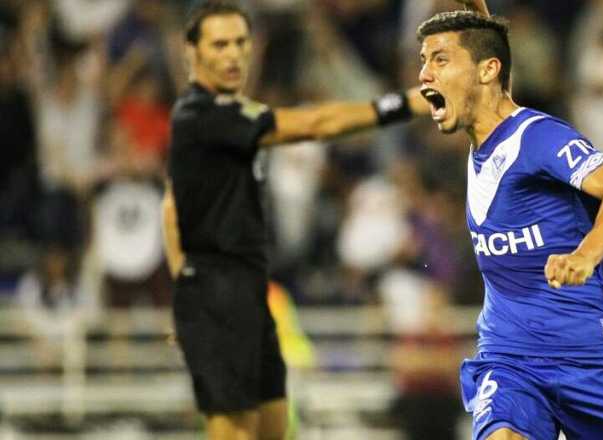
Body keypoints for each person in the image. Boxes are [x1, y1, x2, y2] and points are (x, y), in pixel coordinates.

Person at [160, 1, 429, 439]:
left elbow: (172, 209)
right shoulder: (205, 116)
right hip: (219, 299)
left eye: (241, 43)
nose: (233, 55)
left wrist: (181, 288)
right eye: (219, 44)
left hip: (248, 294)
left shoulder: (222, 117)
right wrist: (404, 104)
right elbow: (315, 122)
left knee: (275, 430)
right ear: (191, 54)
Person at [415, 10, 603, 440]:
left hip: (593, 362)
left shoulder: (539, 137)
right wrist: (479, 20)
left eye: (440, 60)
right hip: (511, 359)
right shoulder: (486, 134)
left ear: (487, 70)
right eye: (423, 60)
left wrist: (585, 255)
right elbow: (494, 78)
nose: (424, 75)